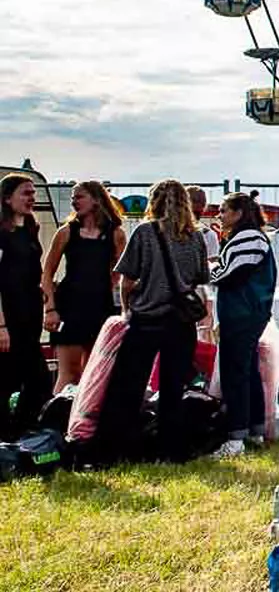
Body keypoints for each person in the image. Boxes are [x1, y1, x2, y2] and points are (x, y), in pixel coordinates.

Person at [97, 179, 211, 461]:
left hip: (147, 319)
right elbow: (201, 277)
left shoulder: (145, 232)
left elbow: (127, 278)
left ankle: (122, 447)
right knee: (173, 387)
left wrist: (126, 309)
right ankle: (170, 450)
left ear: (154, 201)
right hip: (181, 322)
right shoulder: (194, 236)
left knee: (130, 385)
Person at [208, 191, 276, 458]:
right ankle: (254, 432)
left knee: (235, 374)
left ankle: (236, 437)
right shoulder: (253, 238)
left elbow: (229, 274)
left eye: (224, 210)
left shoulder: (247, 238)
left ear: (238, 213)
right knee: (247, 372)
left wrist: (209, 268)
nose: (219, 215)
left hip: (242, 314)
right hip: (248, 313)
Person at [41, 181, 125, 392]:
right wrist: (50, 309)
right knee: (69, 372)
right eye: (72, 198)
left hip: (101, 308)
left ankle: (85, 421)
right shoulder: (67, 232)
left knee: (94, 372)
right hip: (70, 307)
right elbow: (47, 273)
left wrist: (122, 307)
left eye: (79, 197)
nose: (74, 202)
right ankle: (57, 418)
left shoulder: (115, 233)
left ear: (96, 199)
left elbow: (123, 273)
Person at [0, 173, 50, 440]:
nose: (32, 198)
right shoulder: (2, 233)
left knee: (38, 381)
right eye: (25, 193)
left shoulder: (30, 228)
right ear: (8, 199)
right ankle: (6, 435)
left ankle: (21, 430)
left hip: (30, 314)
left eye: (33, 193)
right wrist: (1, 325)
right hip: (8, 316)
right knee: (7, 378)